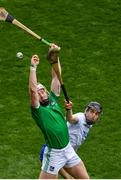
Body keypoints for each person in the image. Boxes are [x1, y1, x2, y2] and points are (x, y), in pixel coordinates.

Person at [29, 44, 89, 179]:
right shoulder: (38, 110)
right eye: (39, 92)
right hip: (54, 154)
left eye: (43, 89)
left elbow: (56, 77)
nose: (41, 92)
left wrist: (56, 56)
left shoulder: (53, 99)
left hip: (68, 149)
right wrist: (33, 68)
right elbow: (32, 90)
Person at [40, 101, 102, 179]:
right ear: (86, 111)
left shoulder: (88, 124)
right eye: (92, 111)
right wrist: (69, 110)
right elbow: (71, 118)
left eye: (96, 114)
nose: (94, 115)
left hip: (68, 154)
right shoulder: (80, 117)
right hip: (55, 153)